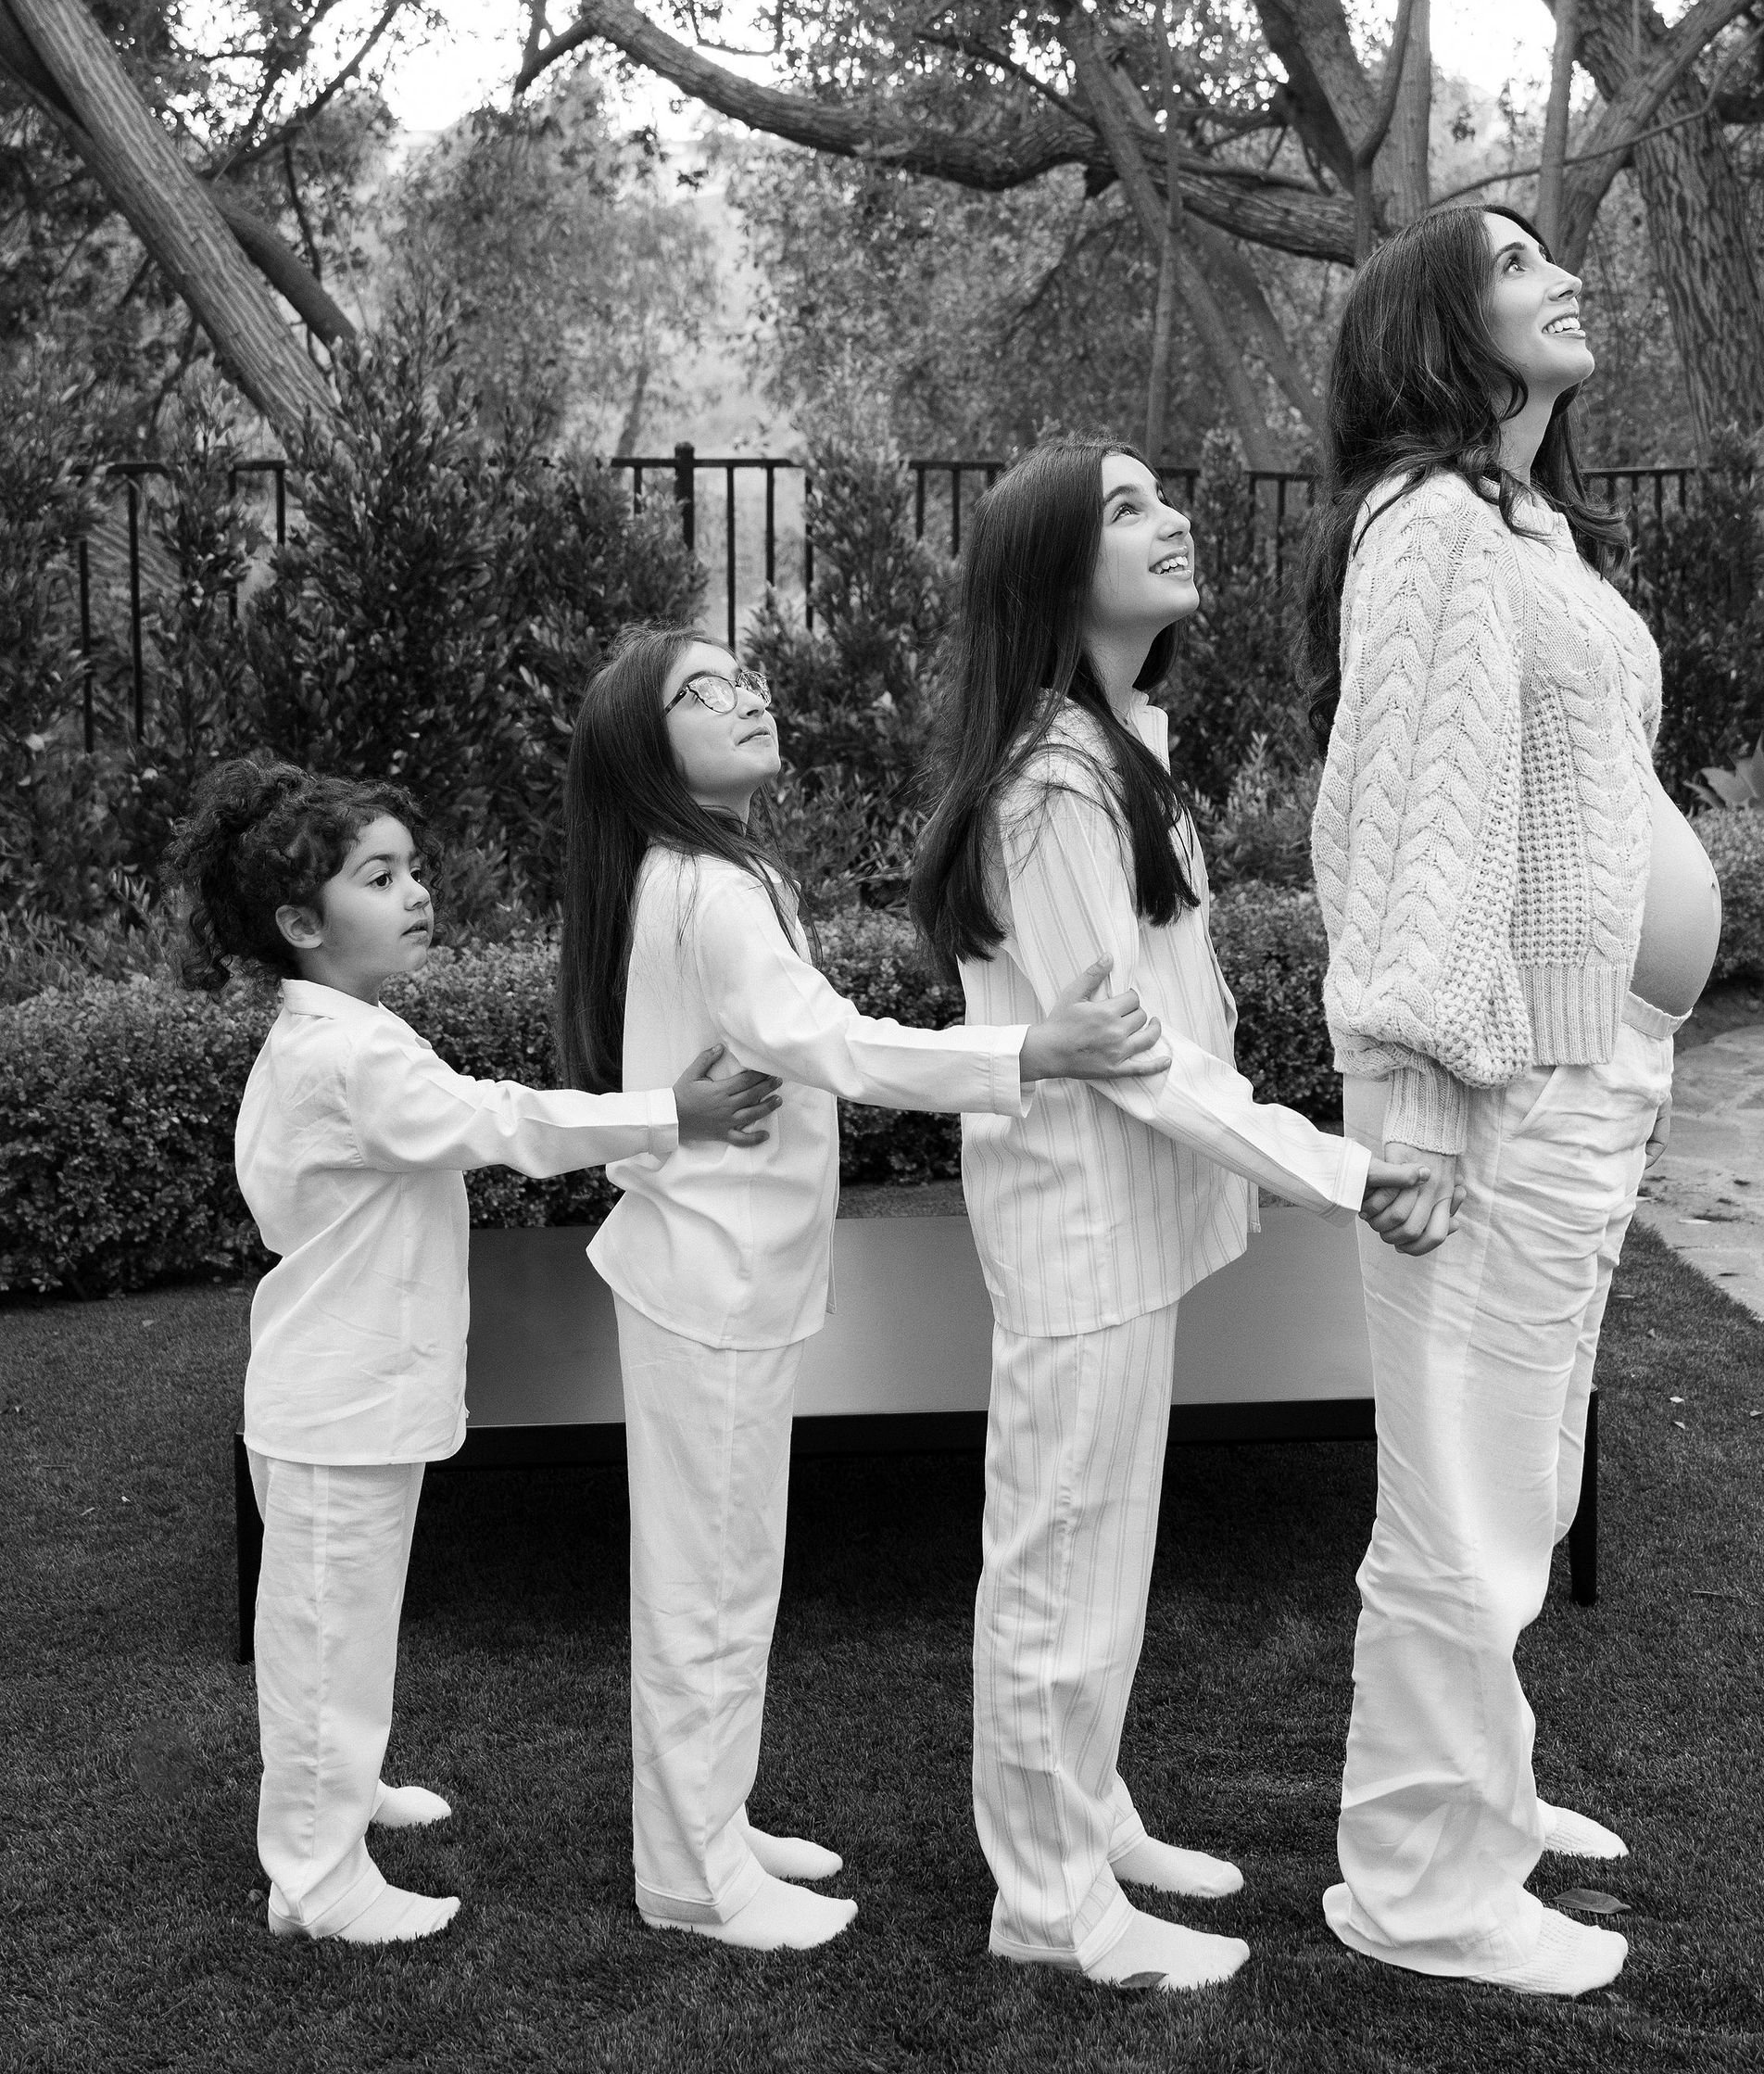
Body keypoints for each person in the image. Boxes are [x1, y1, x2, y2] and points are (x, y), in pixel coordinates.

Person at [908, 436, 1436, 1996]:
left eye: (1160, 495)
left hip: (1127, 1228)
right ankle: (1052, 1902)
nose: (1173, 519)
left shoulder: (1119, 742)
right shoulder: (1052, 780)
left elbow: (1172, 1023)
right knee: (1059, 1573)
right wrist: (1340, 1167)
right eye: (1124, 508)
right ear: (1051, 568)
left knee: (1099, 1561)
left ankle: (1094, 1818)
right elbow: (1137, 1058)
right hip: (1079, 1229)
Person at [556, 626, 1170, 1954]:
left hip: (724, 1278)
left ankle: (709, 1818)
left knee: (728, 1574)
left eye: (742, 674)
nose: (745, 695)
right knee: (706, 1587)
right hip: (704, 1284)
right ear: (641, 751)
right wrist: (1034, 1050)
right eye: (701, 694)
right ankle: (687, 1870)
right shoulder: (705, 891)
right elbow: (830, 1045)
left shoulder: (714, 871)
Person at [1305, 205, 1723, 1999]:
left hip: (1587, 1065)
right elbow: (1401, 821)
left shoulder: (1522, 526)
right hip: (1492, 1091)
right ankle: (1418, 1885)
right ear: (1433, 326)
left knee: (1523, 1471)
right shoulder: (1429, 532)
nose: (1564, 278)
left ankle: (1483, 1790)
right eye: (1515, 263)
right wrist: (1406, 1094)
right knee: (1459, 1501)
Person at [170, 754, 780, 1949]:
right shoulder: (352, 1055)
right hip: (336, 1398)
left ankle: (342, 1793)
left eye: (411, 869)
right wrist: (673, 1113)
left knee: (343, 1621)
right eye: (377, 877)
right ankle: (315, 1875)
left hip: (340, 1390)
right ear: (302, 924)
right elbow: (504, 1121)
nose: (414, 892)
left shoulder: (340, 1033)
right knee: (324, 1640)